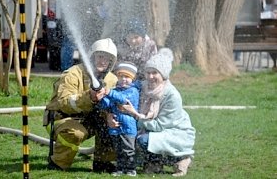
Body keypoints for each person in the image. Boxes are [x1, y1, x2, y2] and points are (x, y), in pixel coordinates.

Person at [43, 38, 118, 172]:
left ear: (111, 62)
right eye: (100, 56)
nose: (102, 61)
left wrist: (109, 116)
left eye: (107, 58)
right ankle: (58, 164)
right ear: (92, 57)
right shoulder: (73, 74)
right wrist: (88, 97)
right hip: (62, 118)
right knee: (76, 133)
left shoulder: (112, 79)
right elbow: (64, 103)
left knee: (114, 126)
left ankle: (103, 163)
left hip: (90, 119)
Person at [122, 48, 196, 177]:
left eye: (155, 73)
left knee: (142, 140)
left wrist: (135, 117)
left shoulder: (172, 95)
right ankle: (154, 162)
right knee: (127, 134)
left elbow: (160, 125)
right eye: (148, 72)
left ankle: (181, 159)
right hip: (149, 125)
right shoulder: (143, 86)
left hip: (174, 131)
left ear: (164, 75)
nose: (150, 77)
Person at [98, 62, 140, 177]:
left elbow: (123, 100)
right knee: (118, 150)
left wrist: (109, 92)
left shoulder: (133, 91)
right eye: (121, 76)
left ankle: (131, 169)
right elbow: (107, 105)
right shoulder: (115, 90)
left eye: (126, 77)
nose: (123, 79)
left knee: (128, 149)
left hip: (128, 127)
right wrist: (102, 98)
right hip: (115, 126)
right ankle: (120, 168)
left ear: (132, 78)